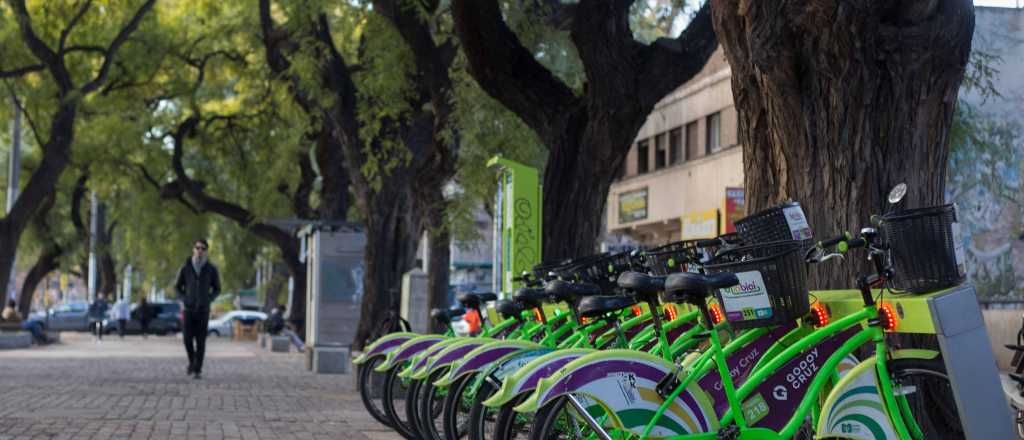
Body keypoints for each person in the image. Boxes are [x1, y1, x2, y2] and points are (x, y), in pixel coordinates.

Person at [175, 239, 221, 379]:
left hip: (203, 310)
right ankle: (192, 362)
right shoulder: (185, 268)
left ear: (206, 251)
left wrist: (209, 299)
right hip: (188, 310)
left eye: (203, 248)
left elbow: (217, 289)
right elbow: (177, 287)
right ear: (193, 249)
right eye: (198, 247)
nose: (200, 250)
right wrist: (184, 299)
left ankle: (197, 369)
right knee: (187, 339)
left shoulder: (211, 269)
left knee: (201, 341)